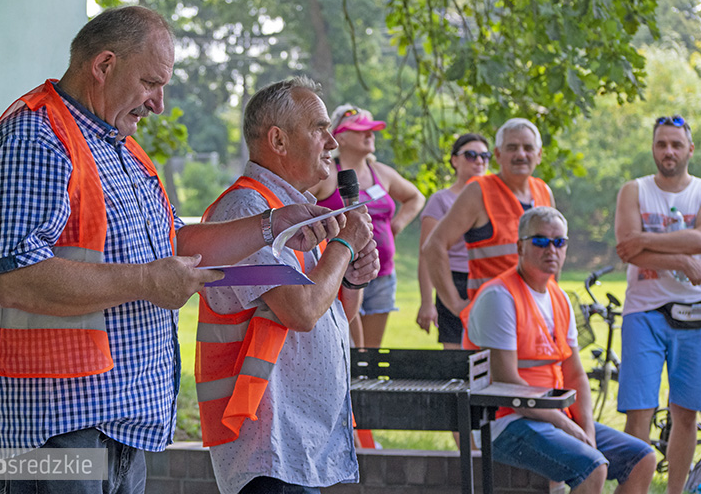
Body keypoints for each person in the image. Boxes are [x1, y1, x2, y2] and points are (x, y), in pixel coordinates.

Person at [0, 6, 341, 493]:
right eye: (149, 83)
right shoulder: (34, 139)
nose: (159, 103)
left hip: (115, 427)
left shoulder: (120, 145)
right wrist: (146, 282)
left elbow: (173, 245)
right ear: (103, 66)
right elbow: (13, 277)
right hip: (48, 429)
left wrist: (271, 224)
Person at [198, 77, 379, 494]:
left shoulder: (289, 212)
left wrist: (351, 273)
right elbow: (300, 311)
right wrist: (344, 244)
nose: (332, 141)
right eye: (319, 127)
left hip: (299, 444)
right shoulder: (246, 209)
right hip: (267, 445)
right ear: (278, 140)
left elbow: (333, 315)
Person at [465, 207, 656, 493]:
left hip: (553, 417)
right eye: (540, 241)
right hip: (505, 422)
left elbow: (575, 373)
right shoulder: (499, 297)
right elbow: (506, 384)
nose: (551, 249)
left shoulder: (560, 298)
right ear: (520, 246)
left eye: (559, 242)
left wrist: (586, 429)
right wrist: (567, 426)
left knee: (642, 458)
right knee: (593, 467)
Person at [615, 114, 701, 494]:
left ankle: (676, 492)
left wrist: (646, 242)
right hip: (644, 313)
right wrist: (682, 259)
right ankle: (634, 489)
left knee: (686, 413)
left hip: (697, 314)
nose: (668, 151)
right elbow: (626, 249)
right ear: (653, 148)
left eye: (675, 144)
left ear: (690, 148)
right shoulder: (633, 190)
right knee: (640, 411)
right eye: (661, 144)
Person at [309, 104, 424, 348]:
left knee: (371, 353)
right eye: (362, 130)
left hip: (382, 274)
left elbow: (416, 197)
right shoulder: (326, 174)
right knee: (351, 348)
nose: (370, 135)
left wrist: (396, 226)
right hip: (342, 274)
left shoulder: (382, 172)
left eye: (372, 130)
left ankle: (368, 387)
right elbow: (296, 207)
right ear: (340, 136)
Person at [422, 118, 554, 318]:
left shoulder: (544, 191)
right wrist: (456, 305)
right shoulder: (479, 191)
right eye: (512, 147)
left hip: (538, 315)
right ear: (498, 155)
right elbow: (434, 246)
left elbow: (555, 254)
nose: (521, 154)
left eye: (528, 148)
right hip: (494, 316)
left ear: (539, 154)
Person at [417, 133, 491, 349]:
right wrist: (426, 302)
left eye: (485, 156)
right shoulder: (441, 200)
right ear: (454, 160)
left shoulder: (494, 198)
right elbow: (426, 253)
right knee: (456, 354)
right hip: (453, 281)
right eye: (471, 155)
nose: (479, 161)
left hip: (487, 279)